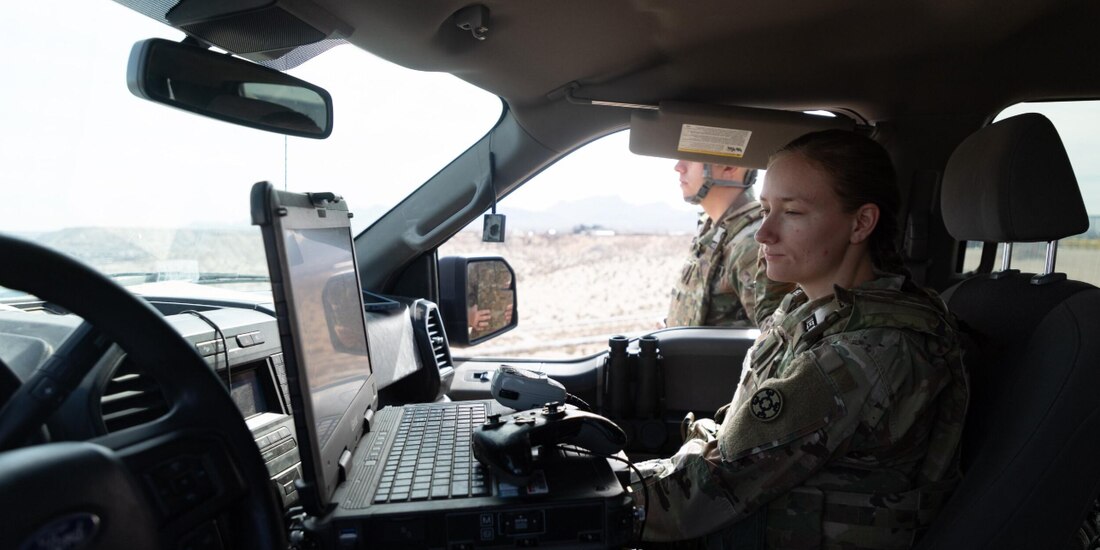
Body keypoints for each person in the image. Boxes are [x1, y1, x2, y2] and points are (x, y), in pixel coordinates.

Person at [631, 130, 969, 549]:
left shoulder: (865, 352)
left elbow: (704, 493)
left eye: (791, 212)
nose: (763, 233)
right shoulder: (811, 310)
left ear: (861, 222)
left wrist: (604, 491)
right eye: (766, 209)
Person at [665, 160, 794, 328]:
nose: (679, 167)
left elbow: (773, 340)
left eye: (690, 158)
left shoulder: (750, 243)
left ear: (729, 167)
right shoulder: (713, 229)